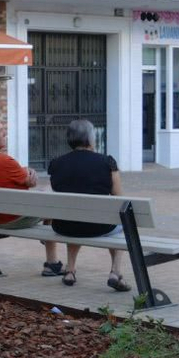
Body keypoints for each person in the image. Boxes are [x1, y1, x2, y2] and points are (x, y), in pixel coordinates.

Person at [0, 118, 62, 276]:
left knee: (46, 199)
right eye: (1, 131)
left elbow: (16, 175)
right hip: (14, 219)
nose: (5, 134)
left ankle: (50, 250)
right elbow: (31, 182)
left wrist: (23, 171)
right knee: (52, 194)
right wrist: (28, 171)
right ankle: (52, 262)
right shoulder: (5, 161)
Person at [45, 119, 130, 293]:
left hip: (64, 227)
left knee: (73, 214)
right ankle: (115, 272)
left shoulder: (56, 164)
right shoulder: (107, 162)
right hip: (99, 227)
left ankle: (70, 271)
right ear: (91, 139)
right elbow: (119, 198)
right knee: (121, 221)